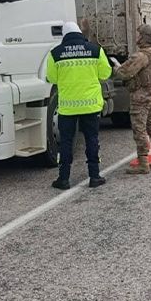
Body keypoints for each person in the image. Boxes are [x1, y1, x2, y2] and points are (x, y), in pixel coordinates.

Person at [46, 21, 112, 190]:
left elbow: (52, 78)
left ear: (64, 36)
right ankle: (95, 176)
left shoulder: (55, 53)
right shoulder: (95, 50)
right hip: (91, 106)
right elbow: (105, 73)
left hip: (67, 108)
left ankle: (63, 179)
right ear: (80, 33)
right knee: (92, 139)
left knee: (66, 143)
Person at [114, 24, 151, 174]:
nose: (137, 37)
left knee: (139, 129)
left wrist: (115, 68)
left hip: (140, 98)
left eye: (139, 35)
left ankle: (143, 163)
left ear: (145, 38)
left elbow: (124, 73)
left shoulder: (141, 56)